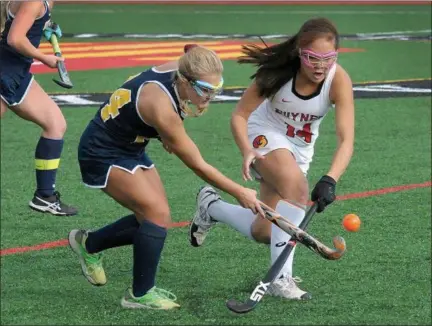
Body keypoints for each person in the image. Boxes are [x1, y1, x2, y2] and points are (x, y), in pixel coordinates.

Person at [68, 45, 264, 310]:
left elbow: (191, 50)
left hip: (131, 145)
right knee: (155, 214)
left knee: (156, 219)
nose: (210, 97)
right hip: (101, 152)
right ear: (184, 80)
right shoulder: (161, 108)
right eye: (205, 90)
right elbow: (198, 164)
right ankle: (139, 295)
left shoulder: (183, 66)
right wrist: (239, 191)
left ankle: (88, 243)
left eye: (216, 89)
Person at [189, 17, 355, 300]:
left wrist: (330, 178)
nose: (320, 65)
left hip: (299, 149)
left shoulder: (338, 79)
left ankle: (211, 207)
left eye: (328, 58)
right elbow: (239, 115)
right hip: (262, 134)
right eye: (313, 57)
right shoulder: (277, 74)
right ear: (300, 54)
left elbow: (346, 139)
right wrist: (246, 149)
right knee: (298, 190)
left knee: (267, 230)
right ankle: (281, 279)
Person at [0, 1, 77, 216]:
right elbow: (14, 38)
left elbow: (24, 24)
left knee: (55, 124)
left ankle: (45, 196)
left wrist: (45, 27)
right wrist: (44, 58)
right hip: (4, 71)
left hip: (18, 74)